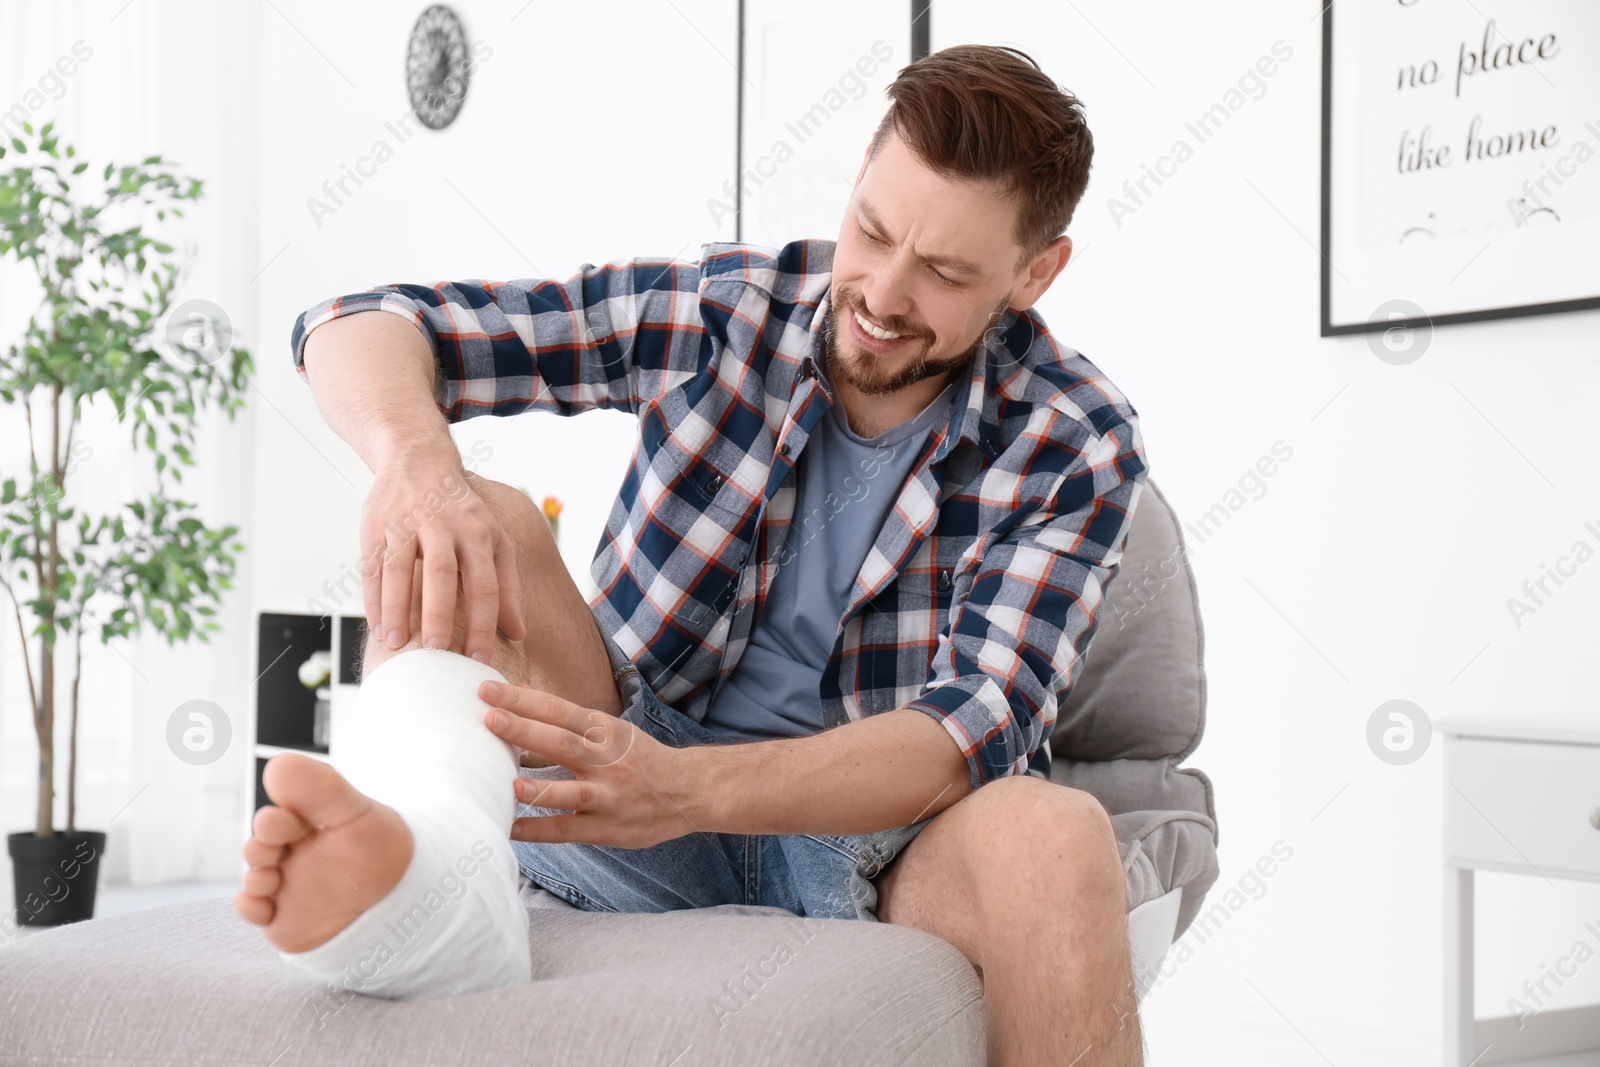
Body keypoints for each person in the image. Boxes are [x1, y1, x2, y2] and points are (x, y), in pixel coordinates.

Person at [236, 42, 1148, 1065]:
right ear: (855, 179)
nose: (883, 295)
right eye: (874, 230)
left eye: (943, 272)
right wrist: (413, 465)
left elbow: (966, 726)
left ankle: (426, 875)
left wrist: (684, 787)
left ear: (1035, 272)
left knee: (1058, 834)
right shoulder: (724, 311)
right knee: (477, 510)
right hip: (626, 765)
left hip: (878, 839)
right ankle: (417, 856)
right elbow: (360, 322)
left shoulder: (1073, 435)